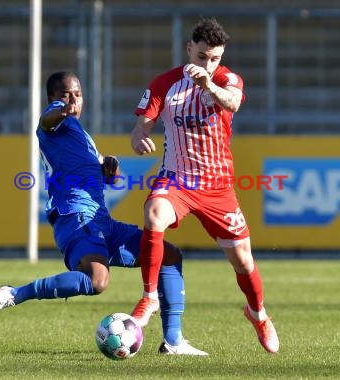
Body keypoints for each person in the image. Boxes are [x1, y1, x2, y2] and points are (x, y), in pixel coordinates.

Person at [0, 71, 207, 356]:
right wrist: (60, 110)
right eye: (65, 94)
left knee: (169, 256)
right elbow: (46, 120)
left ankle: (173, 341)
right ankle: (14, 293)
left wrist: (110, 166)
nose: (73, 99)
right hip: (76, 218)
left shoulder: (83, 136)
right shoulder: (54, 125)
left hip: (101, 222)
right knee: (97, 281)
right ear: (52, 99)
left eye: (78, 94)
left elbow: (109, 177)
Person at [129, 18, 280, 353]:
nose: (207, 64)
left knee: (243, 261)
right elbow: (141, 127)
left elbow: (234, 102)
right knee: (154, 214)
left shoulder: (227, 79)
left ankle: (258, 314)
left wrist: (209, 85)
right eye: (201, 57)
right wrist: (139, 139)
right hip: (177, 180)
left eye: (214, 58)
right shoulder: (164, 83)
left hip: (217, 187)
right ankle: (149, 298)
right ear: (189, 50)